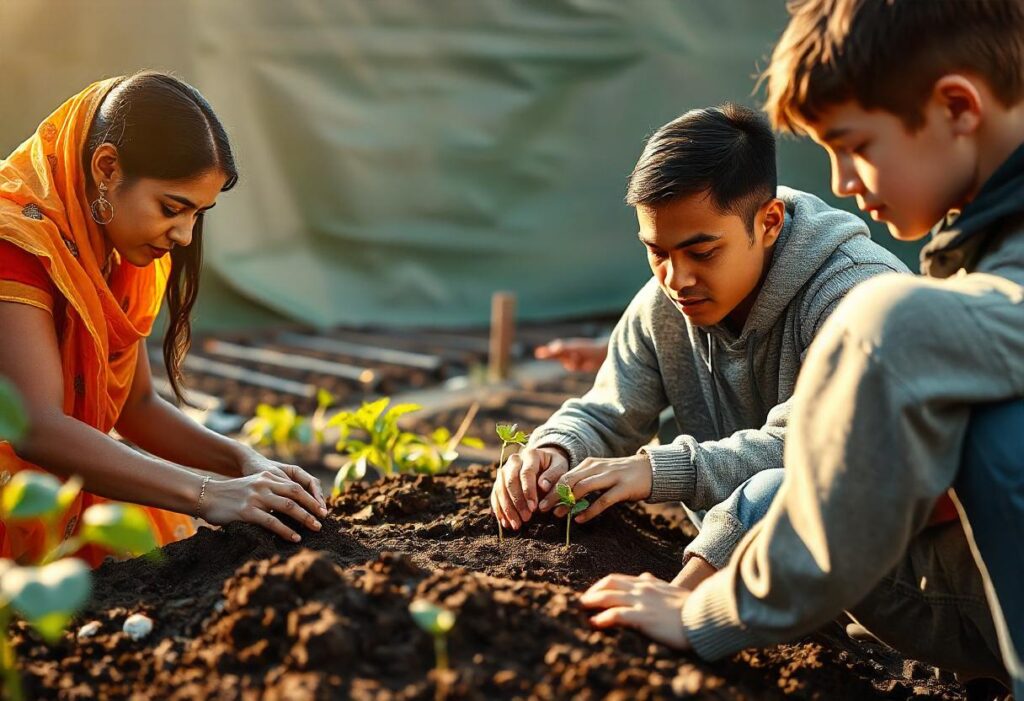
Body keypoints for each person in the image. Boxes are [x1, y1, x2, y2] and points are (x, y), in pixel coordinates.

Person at [581, 1, 1023, 695]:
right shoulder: (980, 265)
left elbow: (830, 486)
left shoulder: (894, 309)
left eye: (856, 146)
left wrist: (710, 615)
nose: (843, 182)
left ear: (957, 107)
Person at [489, 104, 907, 570]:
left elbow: (812, 452)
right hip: (748, 566)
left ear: (769, 223)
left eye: (702, 252)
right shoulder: (663, 304)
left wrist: (655, 469)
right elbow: (610, 413)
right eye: (656, 252)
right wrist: (553, 450)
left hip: (878, 579)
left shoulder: (857, 298)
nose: (676, 278)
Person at [0, 72, 327, 566]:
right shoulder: (15, 244)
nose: (185, 235)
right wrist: (208, 493)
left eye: (199, 214)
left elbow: (138, 405)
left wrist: (244, 460)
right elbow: (37, 426)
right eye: (173, 208)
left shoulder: (109, 251)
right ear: (106, 167)